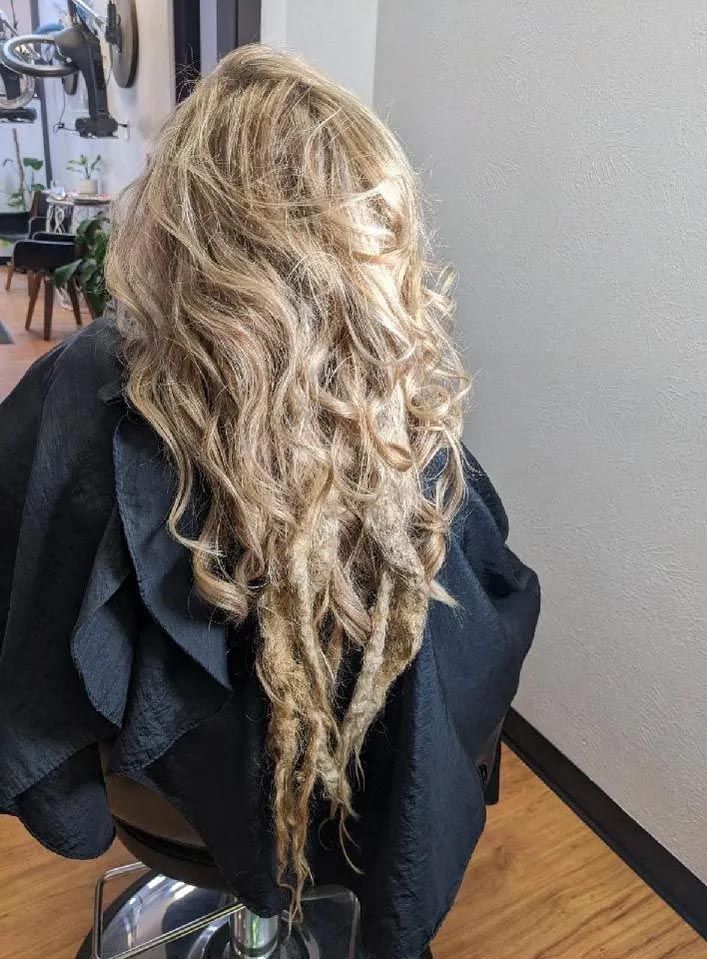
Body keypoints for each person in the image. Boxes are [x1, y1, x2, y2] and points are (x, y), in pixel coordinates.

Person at [0, 45, 539, 959]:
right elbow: (485, 637)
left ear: (175, 222)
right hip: (347, 802)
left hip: (158, 786)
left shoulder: (80, 378)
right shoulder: (403, 412)